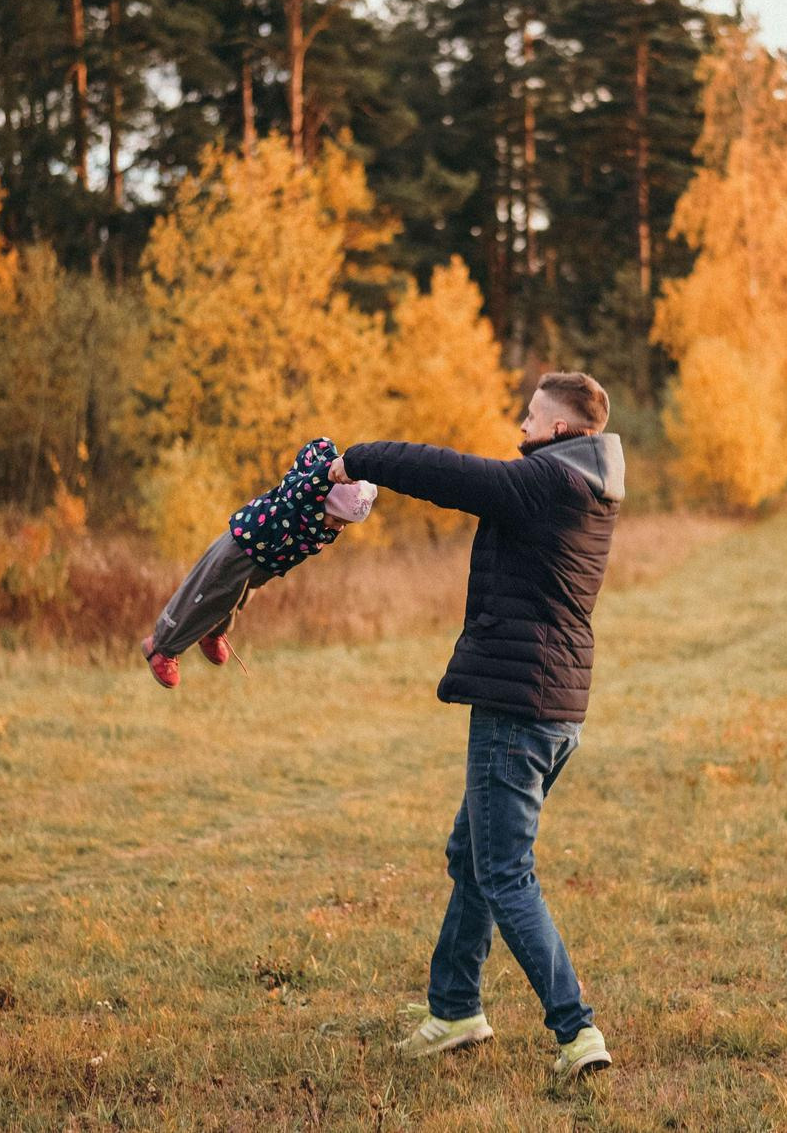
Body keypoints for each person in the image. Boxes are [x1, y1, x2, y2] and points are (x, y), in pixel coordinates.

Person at [330, 371, 624, 1082]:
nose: (521, 427)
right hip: (552, 706)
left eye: (531, 417)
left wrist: (358, 459)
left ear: (560, 429)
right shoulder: (586, 485)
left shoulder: (548, 482)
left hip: (518, 710)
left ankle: (577, 1030)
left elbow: (450, 474)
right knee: (474, 855)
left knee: (503, 871)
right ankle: (456, 1008)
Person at [141, 436, 377, 689]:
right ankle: (161, 647)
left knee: (236, 597)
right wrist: (327, 475)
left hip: (268, 561)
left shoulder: (324, 521)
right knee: (209, 594)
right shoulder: (301, 495)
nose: (339, 528)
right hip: (246, 545)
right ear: (324, 500)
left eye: (345, 524)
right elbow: (303, 488)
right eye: (337, 519)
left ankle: (212, 632)